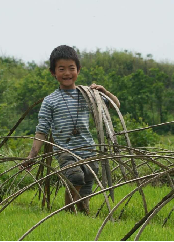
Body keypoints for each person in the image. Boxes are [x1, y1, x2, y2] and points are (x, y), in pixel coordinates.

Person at [21, 45, 120, 214]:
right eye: (61, 69)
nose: (67, 73)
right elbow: (41, 130)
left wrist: (104, 91)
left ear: (78, 70)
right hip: (65, 150)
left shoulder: (87, 94)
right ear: (53, 72)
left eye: (71, 68)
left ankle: (82, 213)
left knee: (87, 183)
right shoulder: (50, 101)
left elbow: (116, 105)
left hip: (88, 148)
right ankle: (69, 212)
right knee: (75, 177)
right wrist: (32, 155)